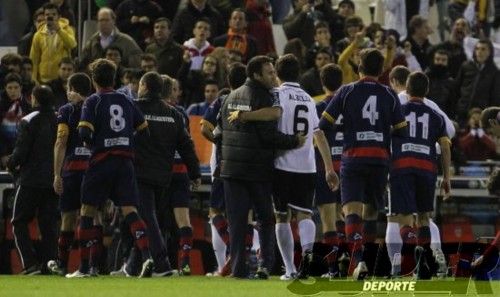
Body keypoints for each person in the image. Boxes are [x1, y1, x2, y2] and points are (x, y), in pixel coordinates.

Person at [228, 54, 339, 280]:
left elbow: (270, 123)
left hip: (281, 164)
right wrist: (328, 167)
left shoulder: (275, 95)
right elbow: (318, 134)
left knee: (282, 217)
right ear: (298, 73)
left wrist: (244, 116)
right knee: (305, 215)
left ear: (277, 73)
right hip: (307, 166)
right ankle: (307, 266)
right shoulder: (309, 99)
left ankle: (289, 269)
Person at [319, 48, 408, 280]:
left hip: (354, 158)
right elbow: (402, 131)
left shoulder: (347, 91)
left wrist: (330, 164)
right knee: (371, 212)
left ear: (359, 68)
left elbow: (323, 126)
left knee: (351, 210)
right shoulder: (389, 95)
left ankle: (358, 261)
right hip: (379, 159)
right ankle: (366, 261)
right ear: (381, 70)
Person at [216, 55, 305, 279]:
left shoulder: (229, 97)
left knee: (236, 221)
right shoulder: (264, 97)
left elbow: (219, 133)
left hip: (231, 170)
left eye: (274, 71)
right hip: (256, 169)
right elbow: (268, 136)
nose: (274, 75)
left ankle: (239, 269)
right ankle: (266, 265)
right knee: (266, 218)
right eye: (269, 72)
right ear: (256, 75)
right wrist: (294, 140)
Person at [66, 59, 152, 278]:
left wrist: (94, 143)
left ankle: (85, 268)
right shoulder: (126, 99)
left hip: (101, 161)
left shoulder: (92, 101)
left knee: (87, 211)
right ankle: (147, 257)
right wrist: (126, 141)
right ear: (113, 78)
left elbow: (84, 133)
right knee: (130, 211)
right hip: (125, 162)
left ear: (94, 79)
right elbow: (143, 130)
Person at [123, 72, 201, 277]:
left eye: (140, 84)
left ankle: (161, 264)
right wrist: (194, 173)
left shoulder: (134, 108)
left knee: (146, 218)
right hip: (163, 176)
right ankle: (132, 266)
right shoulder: (173, 114)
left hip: (138, 173)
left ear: (145, 87)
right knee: (150, 219)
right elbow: (186, 145)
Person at [387, 65, 453, 278]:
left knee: (403, 218)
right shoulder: (436, 115)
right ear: (427, 91)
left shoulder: (397, 110)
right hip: (427, 167)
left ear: (407, 88)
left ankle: (410, 264)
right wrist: (447, 177)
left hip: (402, 166)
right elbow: (445, 145)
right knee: (424, 217)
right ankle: (424, 264)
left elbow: (387, 136)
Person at [200, 63, 247, 276]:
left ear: (228, 81)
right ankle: (244, 256)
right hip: (250, 164)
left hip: (225, 162)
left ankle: (237, 252)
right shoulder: (254, 99)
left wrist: (219, 141)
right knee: (243, 213)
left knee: (215, 210)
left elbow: (204, 127)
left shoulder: (222, 100)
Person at [8, 85, 58, 275]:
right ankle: (50, 264)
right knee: (49, 224)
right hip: (53, 179)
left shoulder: (28, 120)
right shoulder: (59, 119)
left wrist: (11, 164)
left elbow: (21, 152)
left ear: (34, 99)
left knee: (19, 221)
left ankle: (30, 264)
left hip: (30, 180)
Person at [47, 73, 93, 276]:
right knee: (91, 217)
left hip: (72, 170)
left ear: (73, 88)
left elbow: (61, 141)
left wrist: (57, 174)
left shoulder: (66, 110)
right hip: (93, 169)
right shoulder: (97, 106)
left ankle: (62, 264)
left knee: (68, 217)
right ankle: (91, 266)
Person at [315, 63, 347, 278]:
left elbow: (316, 137)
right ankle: (349, 261)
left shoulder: (318, 107)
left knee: (327, 218)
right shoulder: (348, 105)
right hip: (348, 165)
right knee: (346, 216)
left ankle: (334, 268)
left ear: (322, 82)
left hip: (325, 166)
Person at [30, 2, 76, 84]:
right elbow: (34, 59)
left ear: (59, 17)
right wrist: (34, 79)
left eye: (54, 14)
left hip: (61, 79)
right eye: (47, 15)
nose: (50, 17)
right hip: (43, 80)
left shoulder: (67, 29)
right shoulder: (38, 35)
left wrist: (59, 30)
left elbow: (72, 44)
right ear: (44, 17)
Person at [0, 73, 32, 169]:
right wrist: (2, 153)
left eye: (16, 87)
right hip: (4, 150)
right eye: (9, 88)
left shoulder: (28, 106)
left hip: (24, 152)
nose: (13, 91)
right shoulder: (1, 106)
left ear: (21, 87)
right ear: (5, 88)